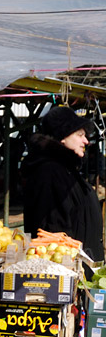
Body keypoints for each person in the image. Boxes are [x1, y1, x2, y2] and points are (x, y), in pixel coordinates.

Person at [22, 106, 104, 261]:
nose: (86, 141)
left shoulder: (66, 170)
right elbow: (53, 232)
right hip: (68, 274)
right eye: (80, 135)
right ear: (62, 137)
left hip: (82, 269)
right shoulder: (49, 173)